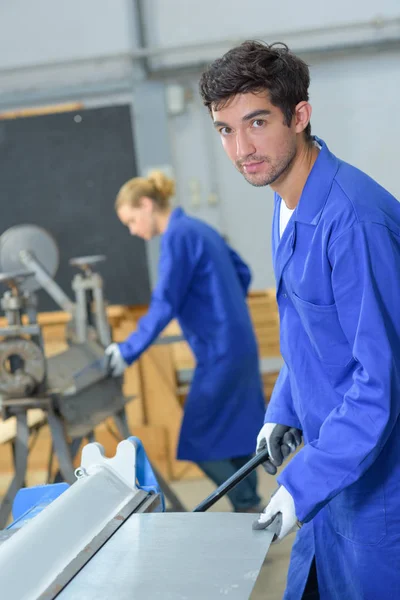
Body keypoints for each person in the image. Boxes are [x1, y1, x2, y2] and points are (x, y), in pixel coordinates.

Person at [199, 40, 400, 599]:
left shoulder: (355, 222)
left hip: (381, 493)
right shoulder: (288, 200)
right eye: (225, 130)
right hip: (332, 476)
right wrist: (284, 409)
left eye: (257, 122)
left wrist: (302, 483)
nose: (242, 149)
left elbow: (379, 381)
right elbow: (311, 336)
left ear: (300, 115)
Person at [105, 170, 267, 512]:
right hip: (239, 344)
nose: (134, 231)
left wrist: (126, 351)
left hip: (219, 354)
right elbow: (243, 272)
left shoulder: (176, 236)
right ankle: (251, 504)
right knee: (238, 434)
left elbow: (165, 302)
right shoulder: (200, 228)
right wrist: (218, 306)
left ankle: (247, 505)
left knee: (197, 440)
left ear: (147, 205)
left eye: (132, 221)